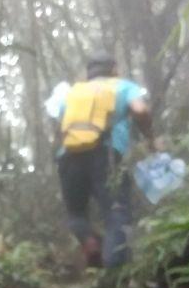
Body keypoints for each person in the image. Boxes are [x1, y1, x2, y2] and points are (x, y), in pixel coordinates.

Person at [47, 52, 155, 268]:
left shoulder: (72, 92)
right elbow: (140, 110)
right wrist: (150, 137)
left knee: (76, 214)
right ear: (114, 69)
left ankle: (90, 242)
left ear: (89, 73)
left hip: (68, 157)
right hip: (105, 154)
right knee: (116, 212)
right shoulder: (123, 86)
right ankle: (114, 273)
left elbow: (57, 122)